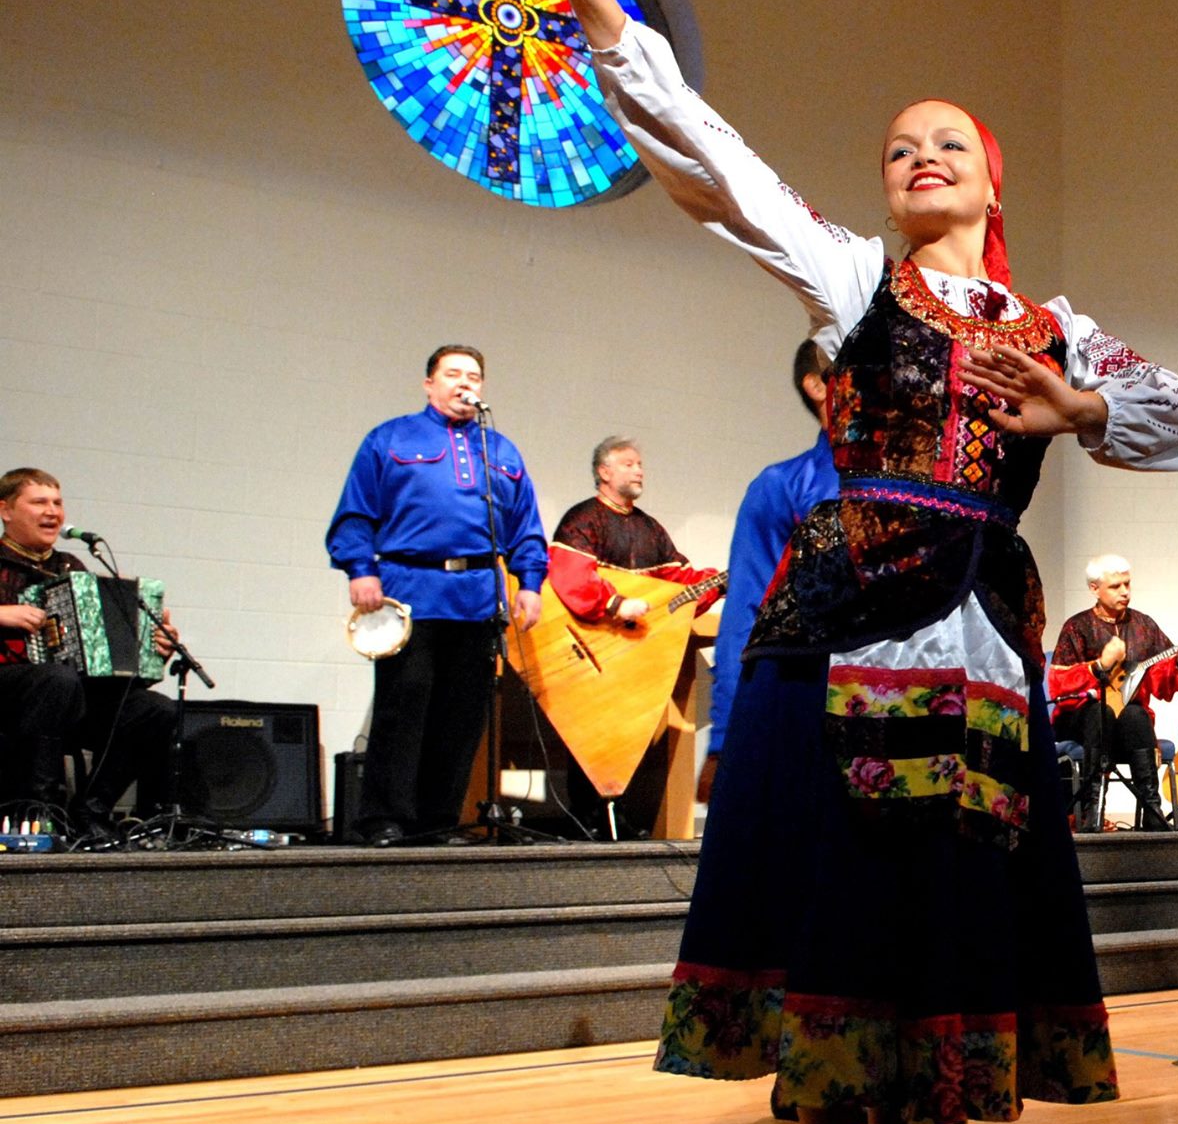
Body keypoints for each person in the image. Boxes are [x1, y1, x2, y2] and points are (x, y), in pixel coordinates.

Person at [561, 0, 1178, 1124]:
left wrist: (1080, 412)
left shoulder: (1060, 332)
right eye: (898, 146)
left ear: (995, 174)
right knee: (840, 927)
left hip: (978, 651)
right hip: (843, 641)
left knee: (935, 931)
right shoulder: (857, 283)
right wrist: (604, 6)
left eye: (946, 143)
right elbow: (716, 167)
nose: (918, 157)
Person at [326, 346, 546, 846]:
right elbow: (356, 513)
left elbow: (525, 528)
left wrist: (530, 583)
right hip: (409, 592)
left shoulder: (502, 451)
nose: (463, 382)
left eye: (473, 375)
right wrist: (361, 570)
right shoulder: (391, 438)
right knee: (403, 709)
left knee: (461, 716)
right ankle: (384, 818)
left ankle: (438, 818)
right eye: (452, 374)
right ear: (429, 383)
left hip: (476, 598)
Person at [548, 435, 721, 838]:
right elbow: (570, 578)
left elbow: (677, 585)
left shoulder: (650, 529)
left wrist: (720, 580)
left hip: (631, 657)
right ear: (603, 472)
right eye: (628, 463)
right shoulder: (583, 520)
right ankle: (587, 817)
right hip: (586, 651)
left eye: (640, 463)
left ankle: (616, 816)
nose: (638, 469)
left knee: (628, 734)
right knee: (592, 733)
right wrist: (614, 605)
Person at [697, 340, 839, 808]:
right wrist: (724, 738)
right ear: (817, 386)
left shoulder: (920, 482)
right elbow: (746, 618)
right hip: (808, 705)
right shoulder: (782, 486)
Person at [0, 467, 178, 831]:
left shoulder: (72, 566)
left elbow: (99, 648)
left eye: (57, 502)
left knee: (155, 710)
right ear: (5, 511)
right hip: (9, 693)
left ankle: (90, 810)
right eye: (39, 502)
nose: (52, 511)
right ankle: (39, 811)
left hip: (66, 695)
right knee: (56, 680)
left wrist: (153, 646)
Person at [1048, 555, 1178, 831]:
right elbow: (1058, 684)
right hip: (1081, 722)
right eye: (1116, 586)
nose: (1125, 592)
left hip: (1127, 728)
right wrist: (1099, 667)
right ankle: (1094, 811)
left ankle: (1152, 810)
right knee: (1100, 711)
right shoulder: (1076, 626)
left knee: (1136, 714)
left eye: (1127, 584)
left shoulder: (1143, 625)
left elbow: (1163, 683)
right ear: (1095, 589)